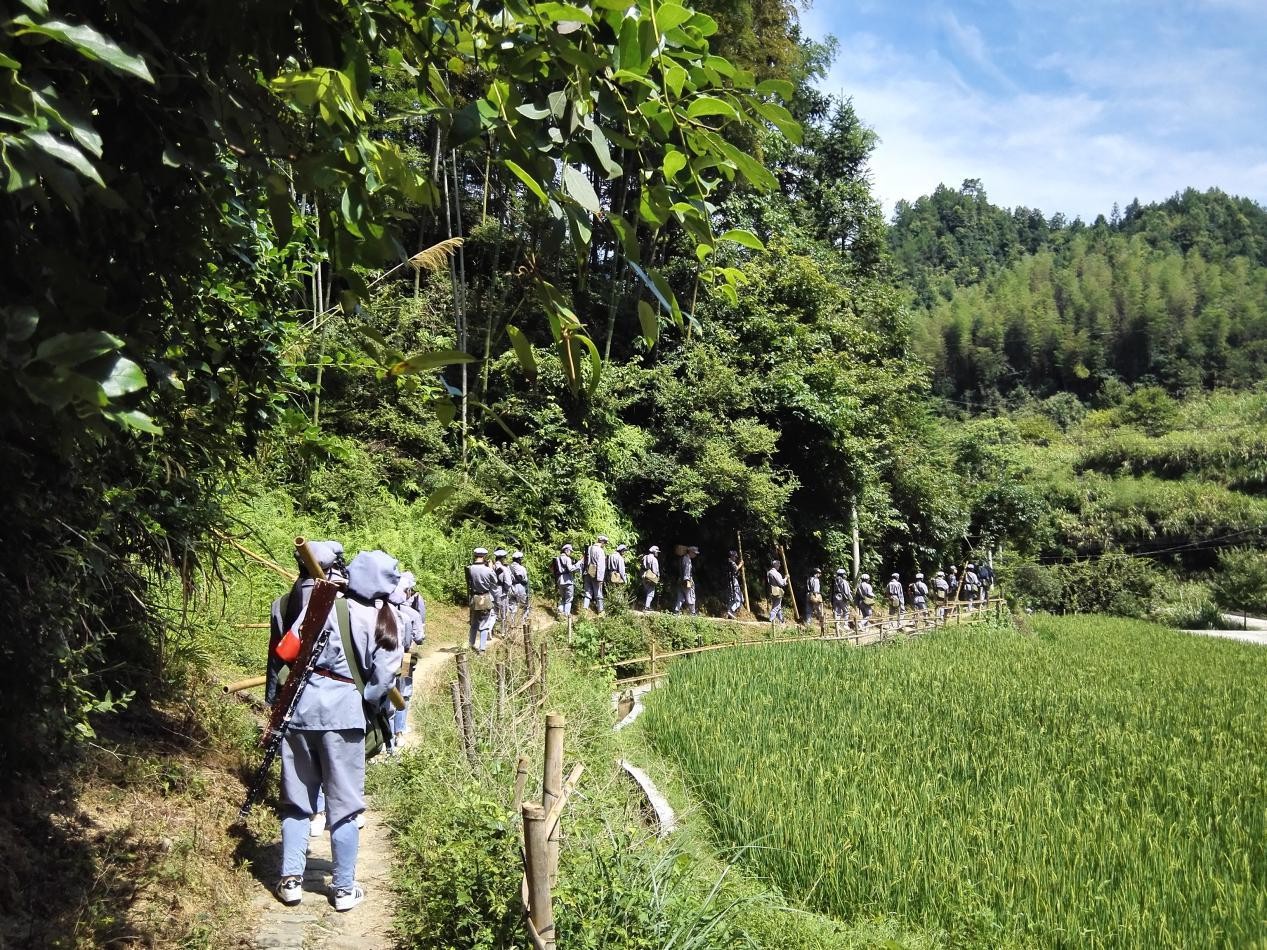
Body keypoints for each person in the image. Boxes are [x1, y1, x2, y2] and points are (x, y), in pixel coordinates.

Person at [274, 548, 399, 912]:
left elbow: (289, 649)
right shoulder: (387, 621)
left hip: (301, 708)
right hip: (345, 715)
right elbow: (382, 682)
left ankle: (291, 880)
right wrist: (365, 700)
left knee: (297, 799)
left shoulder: (325, 603)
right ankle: (343, 888)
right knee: (344, 805)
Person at [267, 540, 345, 705]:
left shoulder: (280, 603)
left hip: (288, 686)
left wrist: (272, 699)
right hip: (329, 693)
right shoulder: (341, 601)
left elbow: (276, 657)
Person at [387, 571, 423, 755]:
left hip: (385, 659)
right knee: (404, 693)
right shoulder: (410, 615)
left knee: (386, 695)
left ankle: (388, 738)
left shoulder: (379, 611)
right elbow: (415, 639)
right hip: (405, 658)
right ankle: (399, 731)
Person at [467, 547, 498, 655]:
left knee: (474, 623)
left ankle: (471, 644)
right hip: (485, 597)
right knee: (484, 624)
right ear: (484, 556)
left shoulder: (470, 568)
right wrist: (491, 568)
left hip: (474, 598)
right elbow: (495, 581)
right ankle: (482, 648)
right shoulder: (488, 570)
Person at [582, 535, 608, 614]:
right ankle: (601, 611)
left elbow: (584, 561)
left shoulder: (589, 548)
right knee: (598, 593)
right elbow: (601, 566)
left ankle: (584, 610)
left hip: (587, 572)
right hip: (595, 574)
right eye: (605, 543)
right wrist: (600, 579)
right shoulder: (600, 551)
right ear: (602, 542)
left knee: (587, 592)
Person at [553, 543, 581, 617]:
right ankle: (566, 615)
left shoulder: (557, 558)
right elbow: (570, 569)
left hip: (559, 580)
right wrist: (577, 565)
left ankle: (560, 609)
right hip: (567, 580)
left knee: (563, 598)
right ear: (566, 550)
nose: (571, 553)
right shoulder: (567, 559)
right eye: (570, 551)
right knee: (569, 599)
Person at [672, 546, 698, 615]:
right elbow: (687, 571)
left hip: (680, 580)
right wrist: (687, 581)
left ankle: (676, 610)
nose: (695, 555)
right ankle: (693, 612)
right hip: (686, 580)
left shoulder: (682, 558)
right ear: (691, 552)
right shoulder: (687, 560)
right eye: (695, 553)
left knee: (680, 596)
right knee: (691, 596)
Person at [492, 549, 513, 630]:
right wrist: (506, 589)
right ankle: (503, 631)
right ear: (502, 558)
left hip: (492, 592)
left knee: (494, 612)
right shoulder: (504, 568)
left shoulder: (491, 567)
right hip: (502, 593)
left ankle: (491, 629)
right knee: (504, 612)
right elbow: (508, 583)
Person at [509, 551, 530, 624]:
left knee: (512, 605)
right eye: (521, 559)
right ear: (518, 560)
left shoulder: (508, 567)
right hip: (520, 588)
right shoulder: (521, 568)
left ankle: (512, 622)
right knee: (524, 605)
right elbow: (525, 579)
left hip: (511, 588)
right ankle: (523, 621)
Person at [766, 560, 787, 624]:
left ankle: (781, 620)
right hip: (777, 590)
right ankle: (771, 619)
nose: (779, 565)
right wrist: (786, 578)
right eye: (778, 564)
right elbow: (781, 583)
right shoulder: (776, 573)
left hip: (772, 590)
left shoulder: (769, 572)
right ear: (775, 565)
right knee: (776, 606)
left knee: (778, 606)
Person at [724, 550, 744, 620]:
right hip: (733, 583)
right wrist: (740, 565)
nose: (736, 558)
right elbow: (735, 569)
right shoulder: (731, 562)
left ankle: (730, 614)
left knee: (732, 599)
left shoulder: (727, 563)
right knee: (739, 599)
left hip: (730, 583)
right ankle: (731, 610)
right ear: (732, 556)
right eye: (735, 557)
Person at [640, 545, 660, 611]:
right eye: (657, 552)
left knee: (645, 590)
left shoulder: (645, 557)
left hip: (643, 575)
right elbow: (655, 570)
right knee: (651, 592)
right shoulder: (654, 559)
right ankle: (647, 607)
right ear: (654, 552)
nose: (657, 553)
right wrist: (657, 576)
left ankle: (644, 605)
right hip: (650, 576)